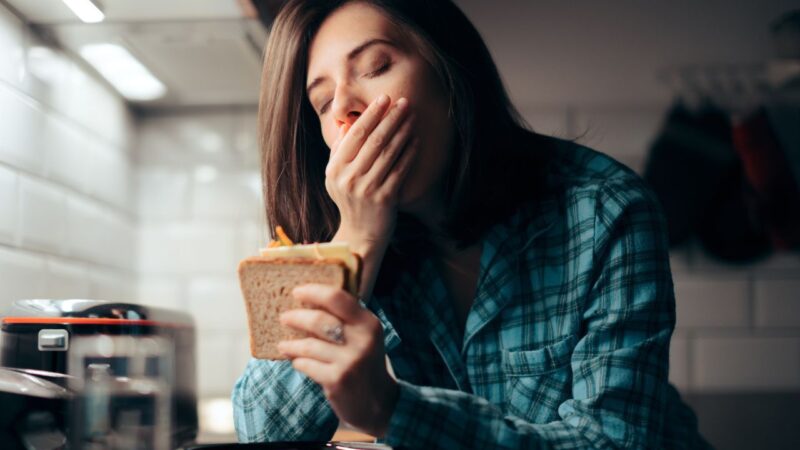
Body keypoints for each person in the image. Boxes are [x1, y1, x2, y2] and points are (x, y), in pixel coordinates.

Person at [232, 0, 710, 448]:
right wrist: (356, 242)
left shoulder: (607, 208)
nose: (344, 110)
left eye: (376, 67)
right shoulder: (364, 242)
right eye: (322, 103)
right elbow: (262, 431)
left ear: (448, 71)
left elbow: (611, 439)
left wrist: (393, 409)